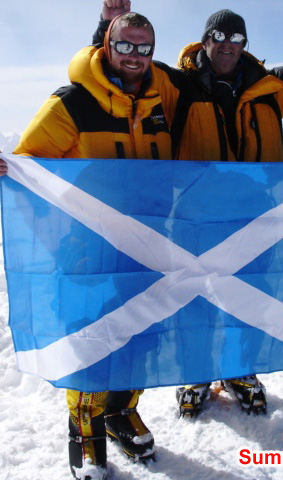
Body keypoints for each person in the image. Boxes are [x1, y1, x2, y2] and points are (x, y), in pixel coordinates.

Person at [93, 0, 283, 419]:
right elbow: (122, 66)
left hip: (255, 221)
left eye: (236, 38)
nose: (227, 45)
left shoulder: (269, 87)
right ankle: (197, 375)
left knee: (249, 299)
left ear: (245, 44)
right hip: (198, 219)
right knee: (198, 302)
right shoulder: (178, 84)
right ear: (206, 39)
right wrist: (108, 27)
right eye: (219, 36)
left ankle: (240, 371)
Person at [5, 11, 181, 480]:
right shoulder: (72, 103)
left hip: (152, 246)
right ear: (106, 46)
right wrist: (12, 171)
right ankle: (86, 436)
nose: (135, 56)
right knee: (93, 340)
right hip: (91, 248)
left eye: (145, 48)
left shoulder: (163, 99)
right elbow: (29, 163)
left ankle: (121, 412)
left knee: (142, 335)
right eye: (126, 45)